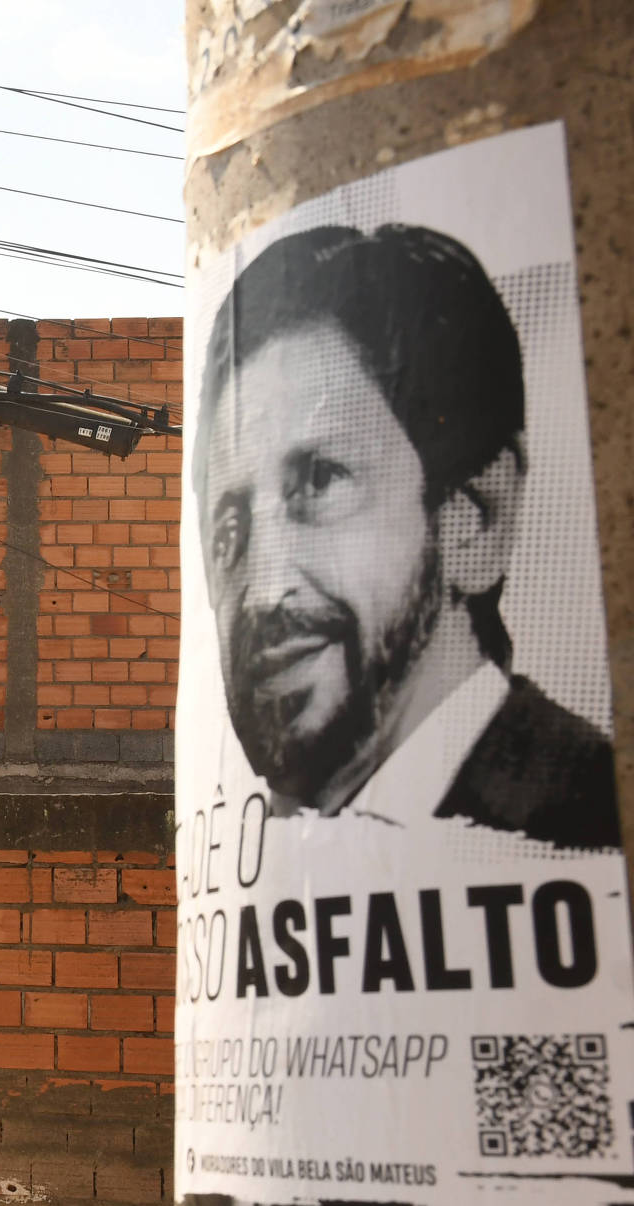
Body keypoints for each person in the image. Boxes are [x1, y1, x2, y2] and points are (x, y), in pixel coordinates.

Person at [196, 222, 618, 849]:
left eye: (319, 482)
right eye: (230, 527)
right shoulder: (275, 845)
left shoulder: (591, 815)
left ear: (475, 517)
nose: (262, 590)